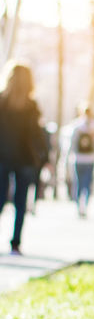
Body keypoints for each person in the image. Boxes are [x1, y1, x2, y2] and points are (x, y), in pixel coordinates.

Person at [0, 62, 45, 254]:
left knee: (0, 199)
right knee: (20, 202)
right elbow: (37, 134)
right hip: (25, 159)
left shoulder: (1, 101)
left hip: (2, 157)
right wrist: (43, 157)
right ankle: (15, 243)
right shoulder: (31, 106)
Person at [68, 105, 94, 218]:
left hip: (78, 159)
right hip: (90, 159)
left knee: (79, 183)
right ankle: (84, 205)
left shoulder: (77, 125)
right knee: (87, 183)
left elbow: (72, 143)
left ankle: (78, 205)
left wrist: (69, 156)